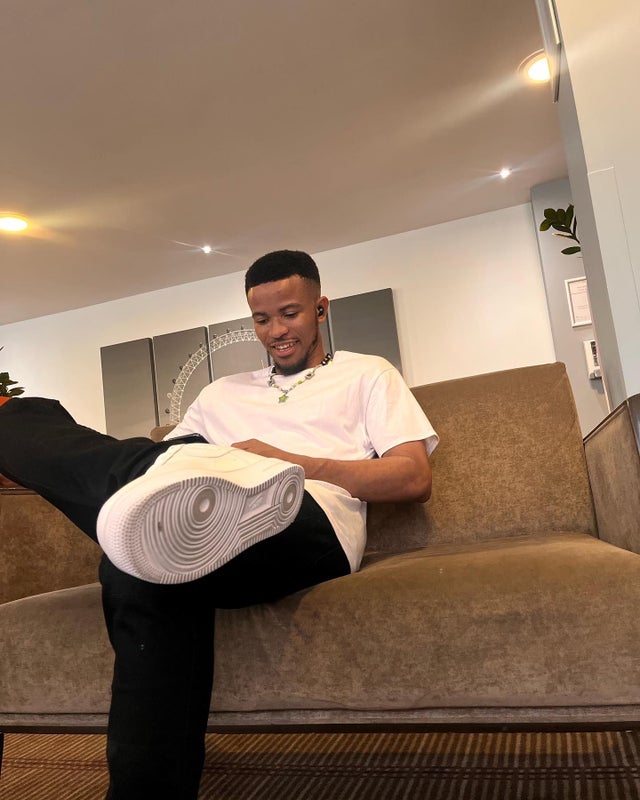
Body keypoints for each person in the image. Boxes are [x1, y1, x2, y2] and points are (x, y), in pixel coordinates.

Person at [0, 250, 438, 799]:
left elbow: (412, 477)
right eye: (262, 319)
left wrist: (286, 463)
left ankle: (169, 502)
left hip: (307, 514)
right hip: (208, 499)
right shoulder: (219, 394)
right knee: (135, 557)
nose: (276, 331)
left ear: (321, 309)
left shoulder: (368, 373)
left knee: (136, 549)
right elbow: (167, 465)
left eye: (290, 314)